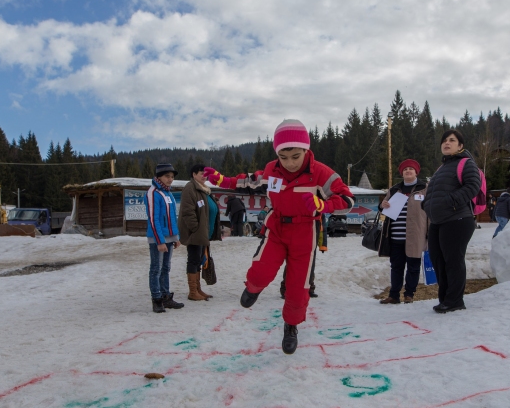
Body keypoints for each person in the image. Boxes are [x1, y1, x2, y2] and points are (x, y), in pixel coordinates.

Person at [203, 119, 354, 354]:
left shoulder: (322, 173)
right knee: (262, 268)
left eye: (295, 156)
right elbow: (249, 182)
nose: (290, 163)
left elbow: (347, 200)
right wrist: (222, 180)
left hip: (305, 233)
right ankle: (254, 286)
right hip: (277, 229)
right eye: (283, 157)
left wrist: (323, 204)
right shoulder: (272, 170)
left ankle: (291, 325)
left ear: (306, 149)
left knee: (297, 286)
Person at [423, 130, 481, 314]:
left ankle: (455, 300)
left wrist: (449, 201)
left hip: (457, 219)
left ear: (460, 146)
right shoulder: (442, 168)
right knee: (438, 261)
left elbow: (473, 186)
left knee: (453, 261)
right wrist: (427, 204)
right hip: (438, 221)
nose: (447, 143)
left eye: (452, 140)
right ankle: (445, 299)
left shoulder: (466, 163)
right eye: (444, 141)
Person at [377, 159, 428, 305]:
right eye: (405, 169)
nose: (408, 171)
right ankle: (394, 296)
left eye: (411, 169)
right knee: (396, 267)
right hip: (395, 236)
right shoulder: (394, 190)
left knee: (413, 267)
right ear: (402, 173)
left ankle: (409, 294)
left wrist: (430, 232)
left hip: (416, 236)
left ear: (416, 172)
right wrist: (383, 205)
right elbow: (382, 208)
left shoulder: (425, 188)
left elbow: (431, 211)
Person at [178, 165, 222, 302]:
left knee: (199, 260)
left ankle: (198, 289)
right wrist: (195, 228)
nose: (205, 175)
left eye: (206, 173)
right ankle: (192, 291)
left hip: (204, 232)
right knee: (194, 260)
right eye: (202, 173)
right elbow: (187, 211)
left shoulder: (204, 189)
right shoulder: (190, 188)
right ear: (194, 174)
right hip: (196, 232)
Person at [145, 163, 184, 313]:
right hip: (157, 238)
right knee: (156, 268)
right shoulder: (153, 192)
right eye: (167, 176)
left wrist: (175, 237)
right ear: (159, 176)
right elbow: (154, 219)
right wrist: (159, 240)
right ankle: (157, 299)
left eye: (172, 177)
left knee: (166, 268)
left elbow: (171, 217)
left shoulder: (168, 193)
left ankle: (166, 296)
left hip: (169, 237)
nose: (170, 179)